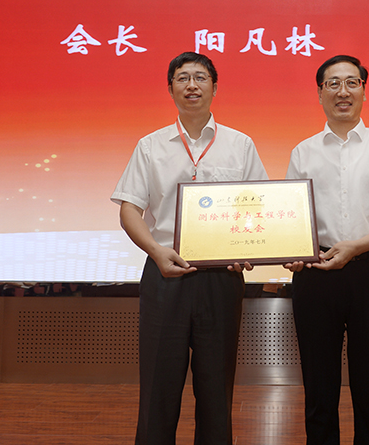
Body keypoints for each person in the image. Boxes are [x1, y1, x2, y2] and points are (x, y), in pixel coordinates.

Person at [111, 52, 268, 445]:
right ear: (171, 89)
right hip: (165, 273)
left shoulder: (240, 144)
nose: (192, 85)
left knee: (217, 388)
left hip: (222, 277)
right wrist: (155, 251)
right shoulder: (150, 146)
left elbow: (258, 208)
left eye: (200, 77)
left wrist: (251, 246)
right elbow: (129, 209)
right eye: (183, 78)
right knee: (158, 387)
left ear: (215, 87)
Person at [285, 55, 369, 445]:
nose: (342, 91)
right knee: (318, 387)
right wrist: (292, 250)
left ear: (364, 90)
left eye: (351, 82)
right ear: (320, 94)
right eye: (333, 84)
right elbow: (292, 218)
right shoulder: (303, 152)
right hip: (315, 275)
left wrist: (356, 247)